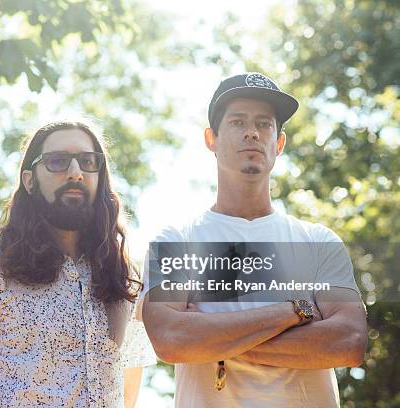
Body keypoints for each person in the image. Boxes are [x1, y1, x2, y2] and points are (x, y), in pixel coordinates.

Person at [141, 73, 368, 407]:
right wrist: (297, 310)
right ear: (211, 139)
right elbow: (171, 339)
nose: (252, 132)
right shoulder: (177, 241)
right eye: (237, 122)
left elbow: (349, 342)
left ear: (278, 143)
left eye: (264, 123)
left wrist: (212, 339)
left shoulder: (319, 241)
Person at [0, 120, 156, 407]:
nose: (75, 173)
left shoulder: (124, 278)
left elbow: (127, 397)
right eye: (57, 161)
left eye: (88, 162)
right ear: (29, 180)